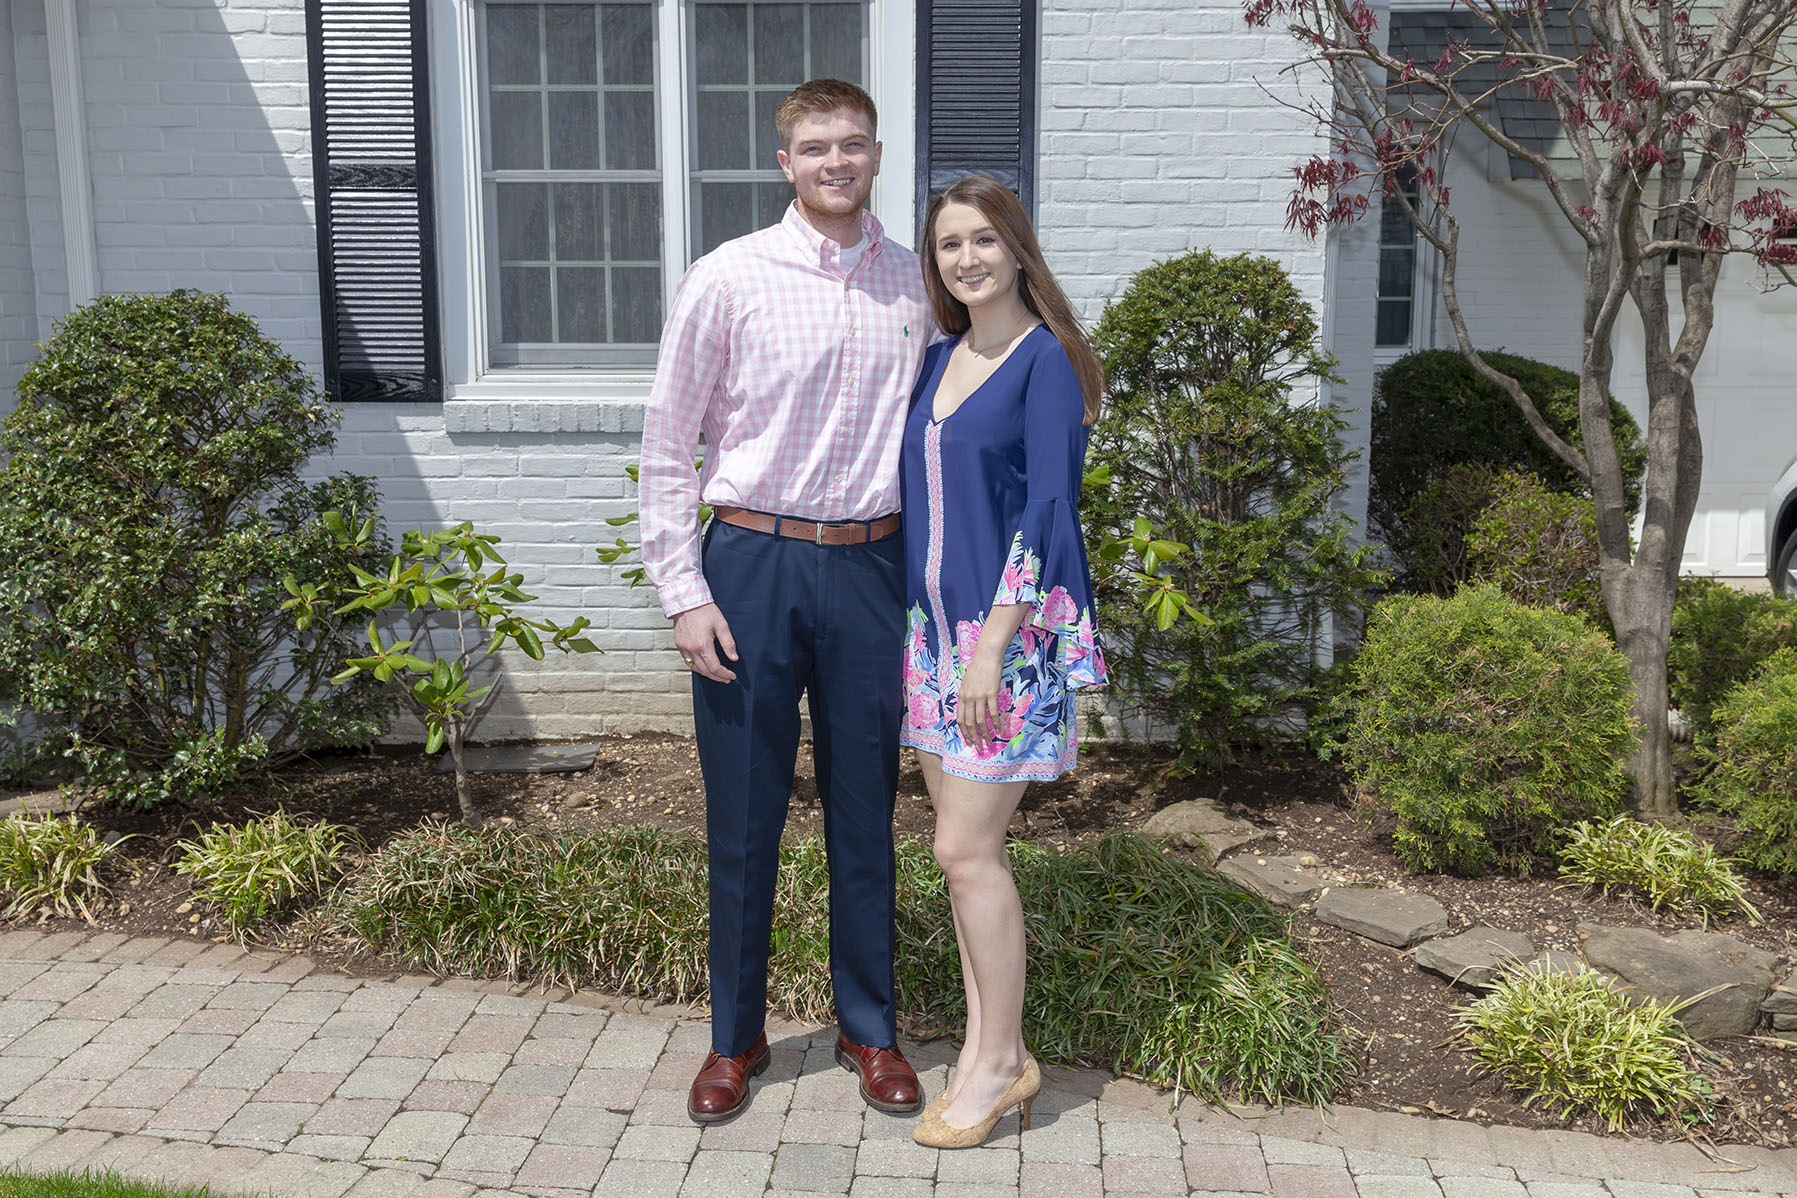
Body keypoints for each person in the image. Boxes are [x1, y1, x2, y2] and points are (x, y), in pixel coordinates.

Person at [638, 78, 932, 1125]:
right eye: (815, 147)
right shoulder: (728, 277)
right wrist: (683, 592)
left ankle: (868, 1027)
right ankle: (736, 1038)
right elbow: (668, 444)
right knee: (743, 816)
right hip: (751, 569)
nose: (835, 162)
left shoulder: (919, 282)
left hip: (871, 570)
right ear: (785, 163)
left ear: (878, 154)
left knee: (866, 814)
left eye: (852, 144)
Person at [899, 175, 1108, 1149]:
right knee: (960, 859)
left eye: (983, 239)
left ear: (1017, 248)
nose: (966, 258)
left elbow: (1048, 513)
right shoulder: (937, 359)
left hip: (1004, 649)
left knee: (964, 850)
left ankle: (996, 1064)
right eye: (949, 244)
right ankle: (992, 1050)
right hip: (928, 644)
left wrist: (989, 647)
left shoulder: (1045, 361)